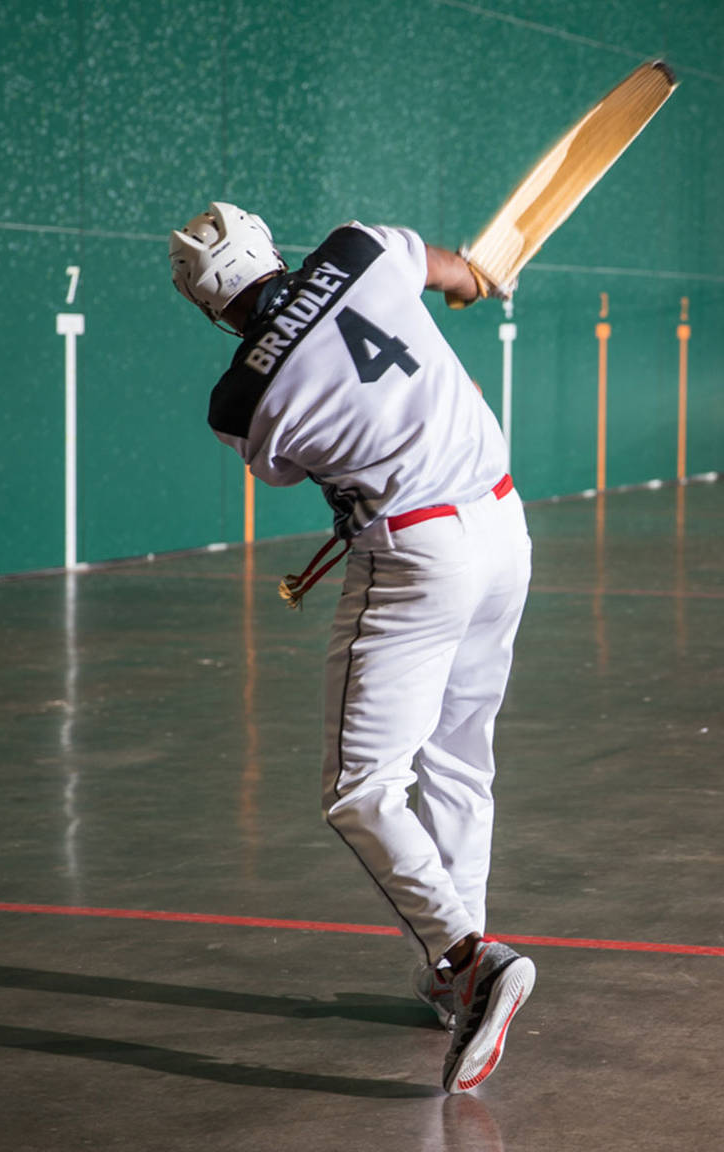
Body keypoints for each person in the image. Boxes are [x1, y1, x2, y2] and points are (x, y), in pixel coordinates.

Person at [169, 202, 534, 1094]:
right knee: (461, 760)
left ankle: (470, 960)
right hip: (505, 525)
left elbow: (288, 466)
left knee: (360, 789)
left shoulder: (237, 402)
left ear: (210, 308)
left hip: (416, 554)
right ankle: (460, 977)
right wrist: (479, 277)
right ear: (271, 247)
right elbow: (453, 271)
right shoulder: (359, 250)